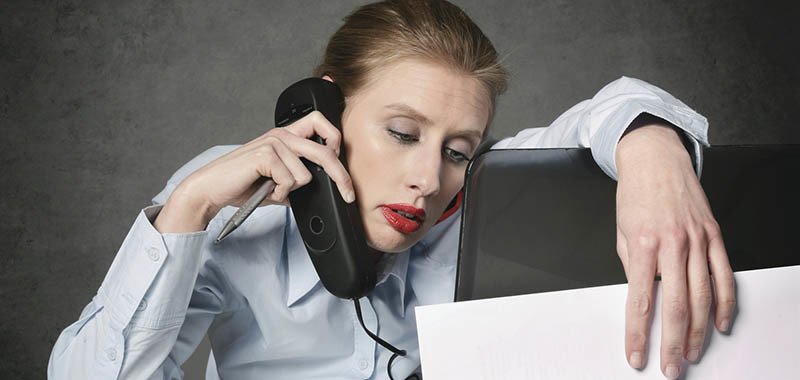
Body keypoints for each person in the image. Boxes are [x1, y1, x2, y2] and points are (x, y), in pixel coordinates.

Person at [48, 1, 735, 379]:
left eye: (458, 150)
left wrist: (652, 153)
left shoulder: (488, 188)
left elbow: (610, 109)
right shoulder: (231, 209)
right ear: (325, 117)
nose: (429, 179)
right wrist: (189, 208)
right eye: (402, 133)